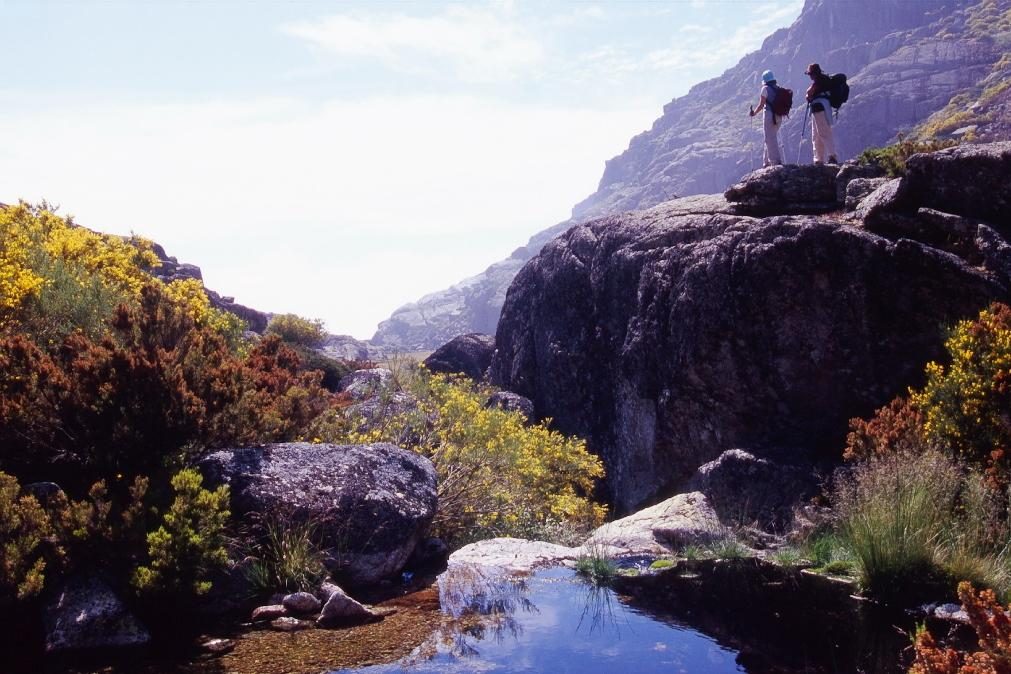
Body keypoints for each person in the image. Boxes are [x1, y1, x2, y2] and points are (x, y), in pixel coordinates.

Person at [805, 63, 838, 164]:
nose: (810, 76)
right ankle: (818, 159)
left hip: (819, 108)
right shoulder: (825, 79)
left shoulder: (818, 81)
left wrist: (807, 95)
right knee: (817, 135)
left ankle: (832, 156)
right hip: (823, 108)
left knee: (823, 133)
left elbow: (809, 92)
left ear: (814, 73)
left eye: (810, 74)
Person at [749, 69, 783, 167]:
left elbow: (761, 104)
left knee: (770, 138)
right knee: (769, 137)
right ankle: (766, 162)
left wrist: (754, 113)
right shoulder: (778, 88)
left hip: (769, 115)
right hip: (778, 116)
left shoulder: (765, 89)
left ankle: (775, 161)